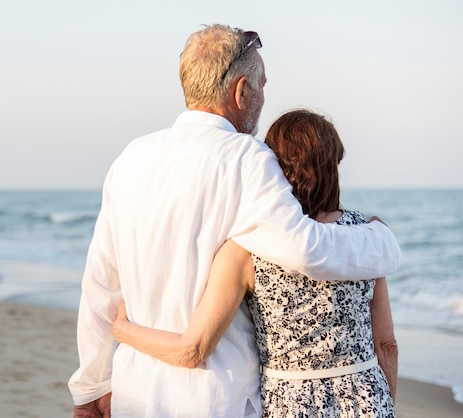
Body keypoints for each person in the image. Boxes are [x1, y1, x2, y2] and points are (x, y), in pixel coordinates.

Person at [68, 24, 401, 418]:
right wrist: (382, 242)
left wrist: (91, 386)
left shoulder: (130, 159)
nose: (263, 97)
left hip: (135, 391)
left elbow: (101, 282)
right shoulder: (247, 159)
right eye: (262, 85)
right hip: (216, 396)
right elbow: (304, 248)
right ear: (242, 91)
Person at [113, 109, 398, 417]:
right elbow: (386, 345)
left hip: (290, 405)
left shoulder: (246, 249)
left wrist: (123, 329)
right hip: (368, 399)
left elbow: (192, 350)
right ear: (333, 167)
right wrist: (383, 404)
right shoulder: (367, 239)